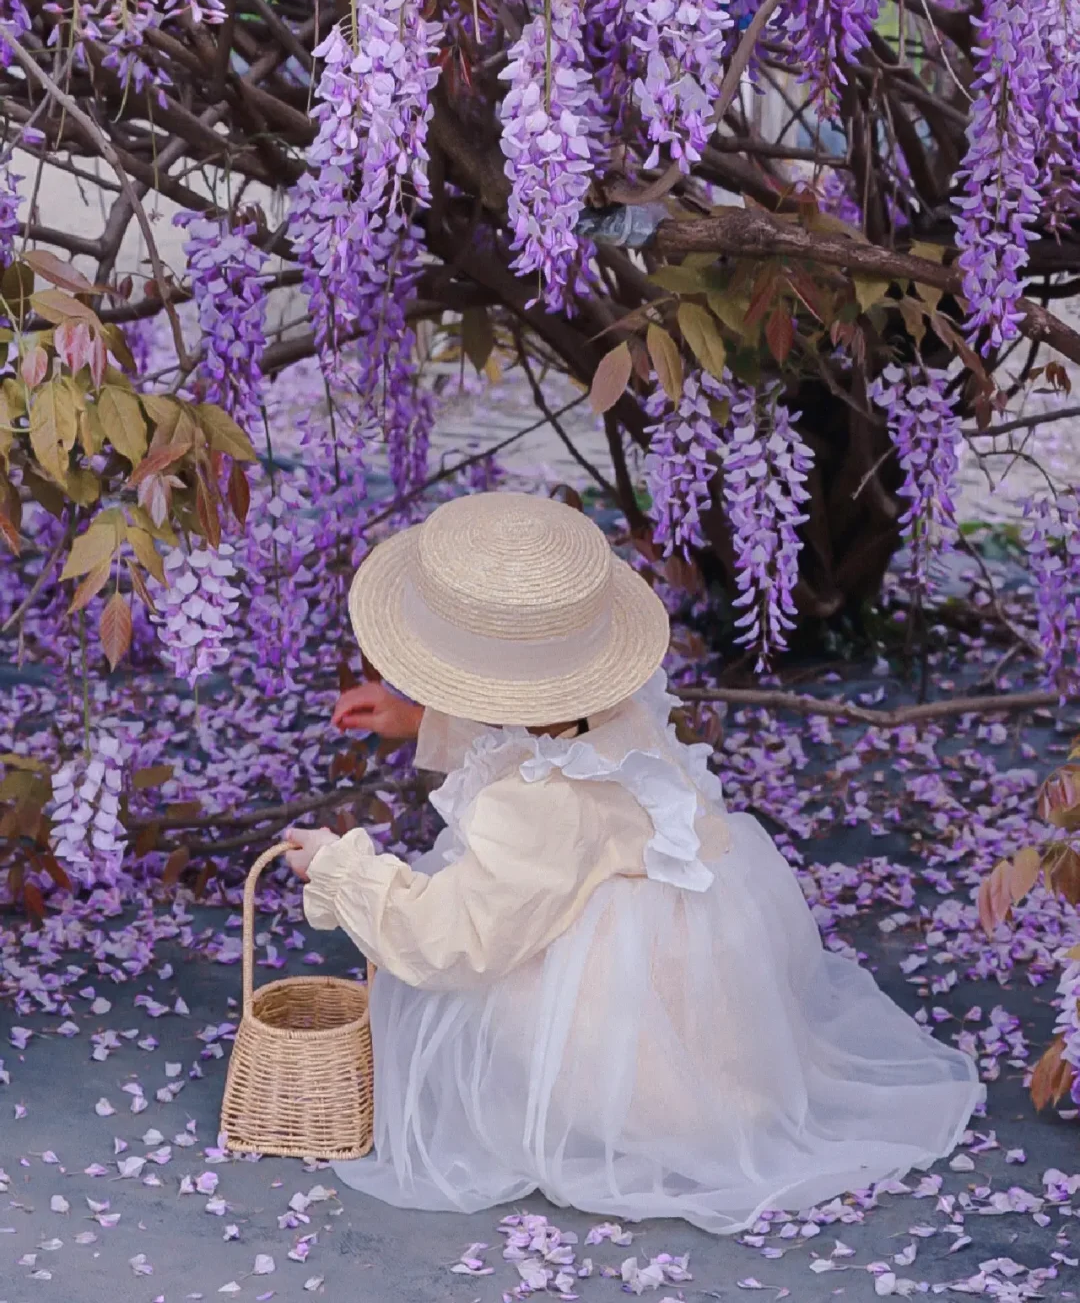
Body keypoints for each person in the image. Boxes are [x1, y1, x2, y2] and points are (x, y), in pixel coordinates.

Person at [283, 490, 983, 1234]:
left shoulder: (542, 804)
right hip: (706, 990)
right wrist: (422, 719)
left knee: (479, 989)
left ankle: (633, 1115)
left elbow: (457, 937)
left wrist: (339, 869)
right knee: (529, 909)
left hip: (632, 1051)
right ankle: (714, 1090)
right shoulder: (615, 706)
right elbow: (526, 722)